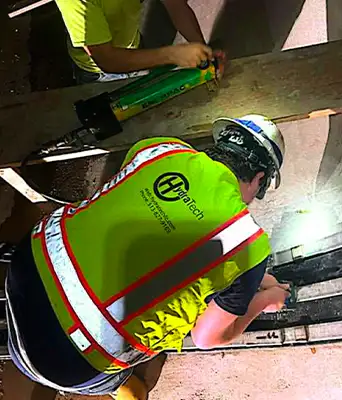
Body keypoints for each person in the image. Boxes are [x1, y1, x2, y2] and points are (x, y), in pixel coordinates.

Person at [5, 114, 290, 399]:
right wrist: (265, 300)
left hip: (27, 265)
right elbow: (206, 338)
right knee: (151, 361)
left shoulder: (160, 149)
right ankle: (123, 386)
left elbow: (159, 231)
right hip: (65, 361)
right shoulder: (249, 244)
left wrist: (249, 280)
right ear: (260, 179)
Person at [54, 0, 213, 84]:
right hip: (97, 72)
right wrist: (172, 55)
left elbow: (175, 5)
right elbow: (106, 59)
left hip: (134, 46)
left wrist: (202, 51)